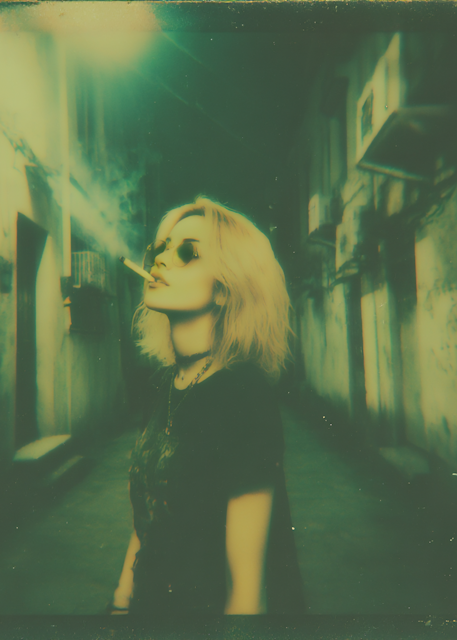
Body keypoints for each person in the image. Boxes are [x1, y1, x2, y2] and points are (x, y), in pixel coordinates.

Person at [108, 197, 305, 615]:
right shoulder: (162, 385)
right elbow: (148, 518)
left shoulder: (244, 394)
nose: (160, 259)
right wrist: (120, 605)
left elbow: (247, 589)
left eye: (187, 252)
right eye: (162, 248)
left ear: (224, 288)